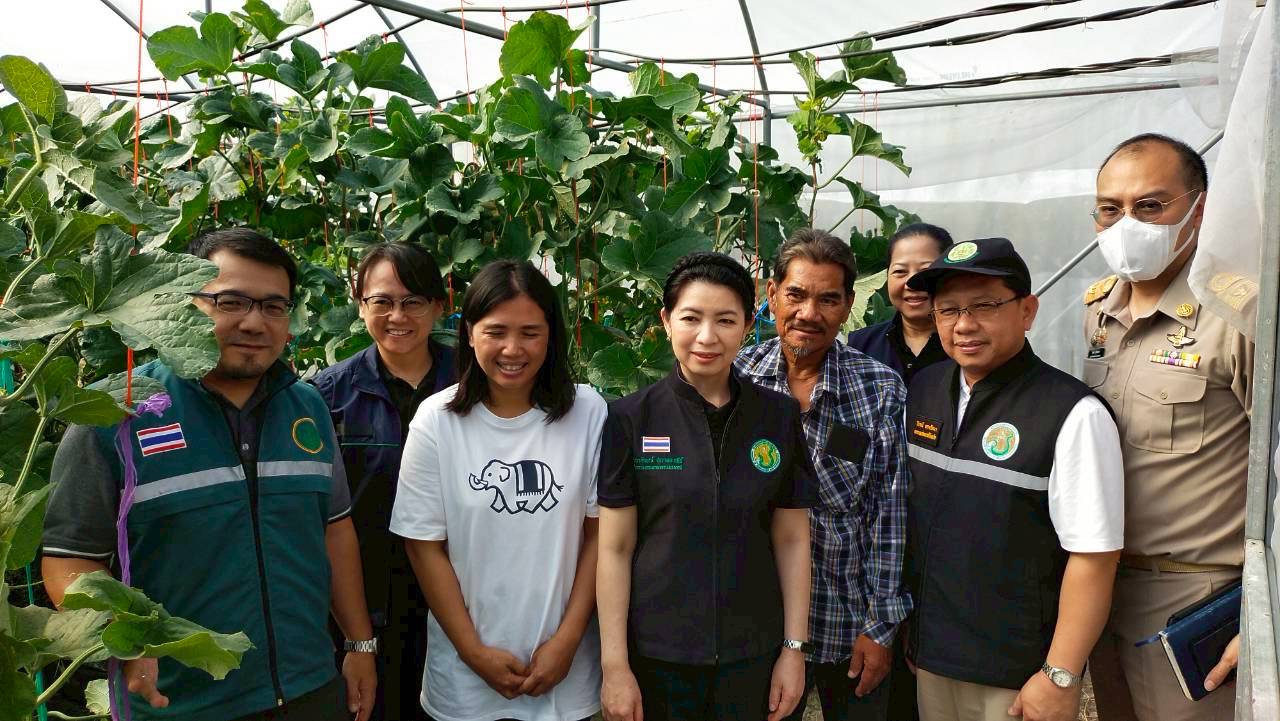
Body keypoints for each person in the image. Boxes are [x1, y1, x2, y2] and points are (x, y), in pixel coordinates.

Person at [41, 228, 378, 721]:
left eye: (274, 306)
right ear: (185, 303)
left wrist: (359, 643)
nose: (254, 322)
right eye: (231, 301)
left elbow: (334, 530)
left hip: (309, 688)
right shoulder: (113, 414)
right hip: (180, 702)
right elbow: (71, 558)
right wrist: (124, 639)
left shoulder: (307, 406)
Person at [903, 237, 1124, 721]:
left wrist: (1060, 673)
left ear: (1027, 311)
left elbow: (1095, 556)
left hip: (1016, 673)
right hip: (933, 657)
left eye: (984, 306)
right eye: (948, 310)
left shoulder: (1072, 413)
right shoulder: (924, 390)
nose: (964, 325)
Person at [597, 252, 817, 721]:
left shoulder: (777, 416)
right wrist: (615, 665)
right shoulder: (630, 419)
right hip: (659, 657)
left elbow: (793, 538)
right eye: (691, 318)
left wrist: (793, 648)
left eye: (725, 320)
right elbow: (615, 548)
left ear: (747, 325)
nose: (707, 336)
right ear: (666, 320)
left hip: (753, 655)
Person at [1083, 133, 1252, 721]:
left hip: (1200, 600)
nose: (1126, 223)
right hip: (1104, 587)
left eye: (1150, 206)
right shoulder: (1098, 311)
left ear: (1198, 209)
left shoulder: (1239, 315)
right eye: (1110, 208)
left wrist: (1266, 616)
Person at [390, 260, 604, 721]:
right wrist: (472, 651)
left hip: (566, 678)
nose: (512, 349)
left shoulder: (588, 412)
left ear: (551, 335)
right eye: (496, 332)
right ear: (469, 333)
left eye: (530, 333)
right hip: (463, 681)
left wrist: (567, 642)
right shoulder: (436, 421)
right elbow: (423, 546)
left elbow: (599, 537)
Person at [737, 229, 910, 721]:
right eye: (796, 295)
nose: (809, 313)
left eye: (828, 299)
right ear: (772, 295)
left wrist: (880, 627)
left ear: (848, 305)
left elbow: (889, 516)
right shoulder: (739, 378)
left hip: (847, 619)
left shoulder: (878, 389)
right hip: (759, 622)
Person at [313, 242, 455, 721]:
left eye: (413, 301)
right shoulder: (327, 395)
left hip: (461, 599)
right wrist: (355, 634)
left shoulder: (476, 384)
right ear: (360, 305)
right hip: (366, 604)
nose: (398, 316)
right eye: (382, 301)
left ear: (438, 306)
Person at [847, 223, 952, 386]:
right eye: (900, 271)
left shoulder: (967, 343)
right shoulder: (861, 345)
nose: (912, 283)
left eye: (926, 270)